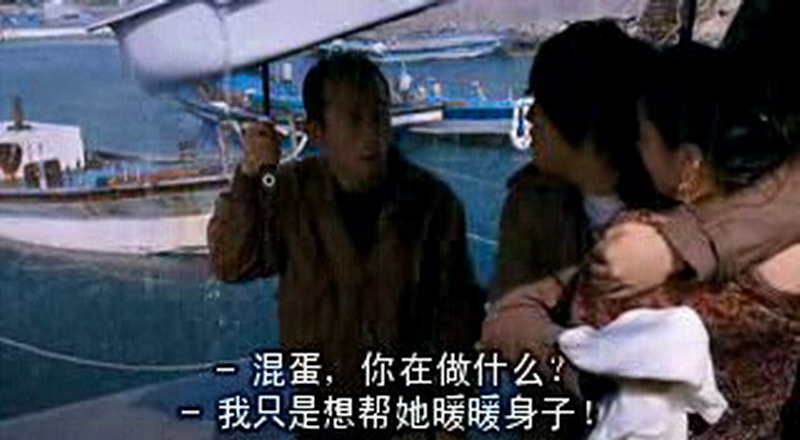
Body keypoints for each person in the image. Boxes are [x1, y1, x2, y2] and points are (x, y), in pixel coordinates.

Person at [486, 42, 800, 439]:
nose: (636, 146)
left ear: (688, 165)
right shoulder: (784, 242)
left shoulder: (643, 246)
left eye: (644, 137)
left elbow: (533, 328)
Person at [207, 52, 483, 412]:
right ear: (316, 131)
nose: (371, 134)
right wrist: (250, 176)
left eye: (379, 115)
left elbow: (458, 320)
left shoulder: (433, 203)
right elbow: (231, 263)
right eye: (354, 119)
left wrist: (451, 416)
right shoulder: (291, 193)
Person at [489, 20, 669, 439]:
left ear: (582, 118)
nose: (530, 115)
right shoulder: (530, 202)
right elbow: (508, 328)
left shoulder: (676, 205)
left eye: (542, 102)